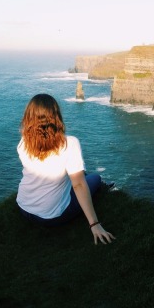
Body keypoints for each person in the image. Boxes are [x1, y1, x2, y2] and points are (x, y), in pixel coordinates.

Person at [16, 93, 115, 245]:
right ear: (56, 116)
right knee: (95, 178)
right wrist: (94, 224)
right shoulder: (69, 144)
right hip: (51, 216)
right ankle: (101, 185)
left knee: (77, 176)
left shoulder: (24, 142)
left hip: (24, 207)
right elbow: (78, 185)